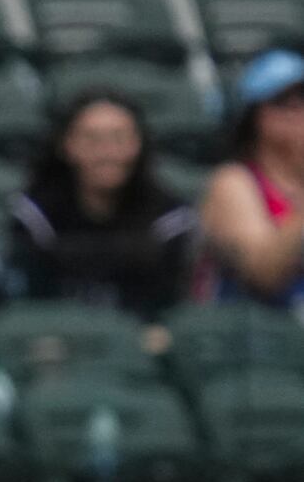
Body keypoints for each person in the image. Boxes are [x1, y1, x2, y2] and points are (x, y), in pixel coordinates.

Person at [12, 91, 197, 319]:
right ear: (66, 145)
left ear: (138, 144)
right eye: (92, 139)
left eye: (119, 138)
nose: (107, 153)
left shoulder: (170, 217)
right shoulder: (35, 214)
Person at [199, 48, 304, 309]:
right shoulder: (233, 182)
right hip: (259, 335)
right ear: (252, 115)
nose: (298, 111)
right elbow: (262, 273)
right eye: (282, 102)